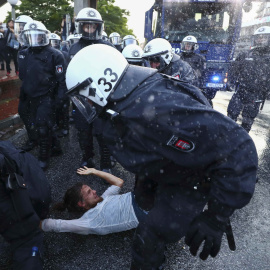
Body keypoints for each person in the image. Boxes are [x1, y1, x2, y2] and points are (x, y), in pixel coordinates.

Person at [65, 44, 258, 269]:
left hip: (191, 179)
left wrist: (217, 216)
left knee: (148, 237)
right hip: (173, 170)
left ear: (100, 83)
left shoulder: (157, 107)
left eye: (84, 95)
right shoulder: (130, 97)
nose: (85, 103)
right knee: (148, 229)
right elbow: (152, 147)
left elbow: (238, 147)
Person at [68, 7, 116, 172]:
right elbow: (69, 73)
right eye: (86, 26)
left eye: (93, 26)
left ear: (98, 27)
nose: (89, 29)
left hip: (102, 96)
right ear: (80, 27)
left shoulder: (108, 46)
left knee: (103, 133)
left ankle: (106, 164)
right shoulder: (73, 48)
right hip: (81, 97)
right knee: (83, 132)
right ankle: (87, 158)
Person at [40, 167, 148, 235]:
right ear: (81, 203)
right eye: (89, 192)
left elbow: (118, 182)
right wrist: (30, 222)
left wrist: (94, 171)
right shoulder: (89, 222)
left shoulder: (102, 199)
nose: (95, 191)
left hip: (140, 195)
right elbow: (56, 225)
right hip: (142, 211)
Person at [18, 20, 67, 170]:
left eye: (38, 36)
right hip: (29, 95)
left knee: (42, 126)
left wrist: (59, 100)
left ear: (43, 36)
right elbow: (23, 76)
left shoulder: (55, 55)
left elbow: (62, 81)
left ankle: (43, 157)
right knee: (34, 121)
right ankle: (56, 147)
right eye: (31, 36)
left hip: (46, 96)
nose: (35, 39)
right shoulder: (23, 53)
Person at [0, 140, 51, 270]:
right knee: (28, 245)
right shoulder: (9, 154)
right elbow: (41, 194)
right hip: (17, 222)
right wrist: (38, 216)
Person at [227, 26, 270, 133]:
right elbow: (234, 68)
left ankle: (242, 141)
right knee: (231, 114)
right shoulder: (245, 54)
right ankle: (228, 136)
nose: (260, 40)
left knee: (247, 120)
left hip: (257, 93)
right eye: (258, 37)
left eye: (263, 37)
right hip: (241, 89)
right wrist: (231, 81)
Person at [49, 33, 69, 137]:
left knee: (63, 107)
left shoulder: (64, 54)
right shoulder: (46, 54)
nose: (53, 45)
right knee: (54, 107)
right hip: (52, 84)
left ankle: (65, 126)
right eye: (51, 42)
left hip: (62, 82)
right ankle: (57, 124)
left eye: (55, 42)